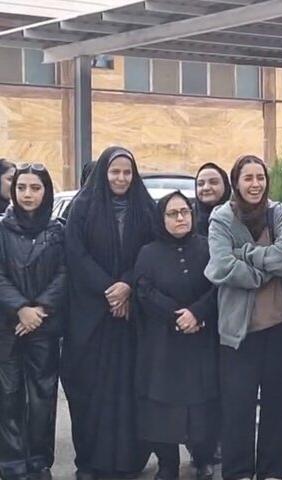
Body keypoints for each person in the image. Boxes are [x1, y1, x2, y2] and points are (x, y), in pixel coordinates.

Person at [62, 146, 155, 480]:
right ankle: (89, 462)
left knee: (129, 389)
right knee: (90, 390)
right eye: (115, 171)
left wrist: (128, 284)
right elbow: (75, 254)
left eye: (127, 172)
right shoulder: (82, 207)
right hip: (91, 317)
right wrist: (109, 289)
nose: (121, 178)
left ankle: (128, 460)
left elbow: (151, 251)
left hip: (131, 317)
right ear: (104, 172)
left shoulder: (145, 208)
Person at [204, 155, 282, 480]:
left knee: (278, 405)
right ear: (236, 182)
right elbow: (220, 265)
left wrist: (244, 254)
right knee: (237, 407)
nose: (255, 184)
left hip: (279, 326)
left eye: (260, 177)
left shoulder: (278, 212)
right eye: (248, 178)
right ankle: (238, 472)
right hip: (237, 331)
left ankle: (273, 472)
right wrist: (261, 275)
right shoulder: (221, 218)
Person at [134, 191, 219, 480]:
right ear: (161, 219)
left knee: (202, 403)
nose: (180, 218)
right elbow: (144, 291)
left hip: (201, 339)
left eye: (185, 211)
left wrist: (197, 313)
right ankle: (167, 463)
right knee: (163, 406)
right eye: (172, 214)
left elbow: (218, 285)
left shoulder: (207, 247)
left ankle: (203, 458)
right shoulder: (148, 253)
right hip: (163, 344)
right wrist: (177, 317)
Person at [0, 164, 65, 480]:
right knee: (8, 395)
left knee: (42, 397)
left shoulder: (58, 230)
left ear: (46, 191)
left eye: (35, 188)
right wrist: (20, 309)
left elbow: (65, 272)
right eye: (22, 187)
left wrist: (39, 309)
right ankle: (12, 462)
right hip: (7, 326)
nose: (28, 194)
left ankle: (40, 460)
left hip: (44, 326)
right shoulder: (2, 229)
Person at [194, 163, 231, 236]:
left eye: (213, 182)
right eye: (200, 184)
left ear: (225, 185)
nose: (206, 188)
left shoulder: (238, 214)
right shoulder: (187, 217)